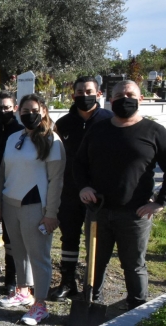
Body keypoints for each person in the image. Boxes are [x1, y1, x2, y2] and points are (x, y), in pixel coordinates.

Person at [75, 80, 166, 310]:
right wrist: (84, 187)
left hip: (135, 214)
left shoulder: (154, 132)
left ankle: (136, 309)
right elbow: (79, 163)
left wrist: (159, 202)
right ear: (110, 99)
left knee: (134, 265)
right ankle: (91, 305)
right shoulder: (98, 129)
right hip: (98, 211)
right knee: (95, 263)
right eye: (118, 95)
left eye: (129, 94)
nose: (124, 98)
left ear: (140, 98)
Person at [0, 93, 65, 325]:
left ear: (43, 110)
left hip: (35, 206)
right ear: (18, 112)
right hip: (10, 203)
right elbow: (3, 173)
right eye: (25, 111)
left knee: (38, 256)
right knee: (18, 251)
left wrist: (51, 213)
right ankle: (23, 291)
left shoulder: (52, 140)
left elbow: (56, 181)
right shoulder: (14, 138)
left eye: (34, 110)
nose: (29, 115)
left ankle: (40, 304)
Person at [50, 76, 113, 301]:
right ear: (73, 95)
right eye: (79, 92)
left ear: (98, 94)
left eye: (89, 91)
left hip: (99, 194)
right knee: (69, 238)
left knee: (97, 241)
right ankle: (67, 281)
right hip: (69, 191)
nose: (84, 96)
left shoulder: (109, 120)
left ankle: (93, 287)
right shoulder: (64, 123)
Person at [0, 92, 23, 294]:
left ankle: (11, 280)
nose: (3, 111)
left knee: (11, 238)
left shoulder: (20, 132)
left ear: (15, 108)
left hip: (12, 190)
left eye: (7, 107)